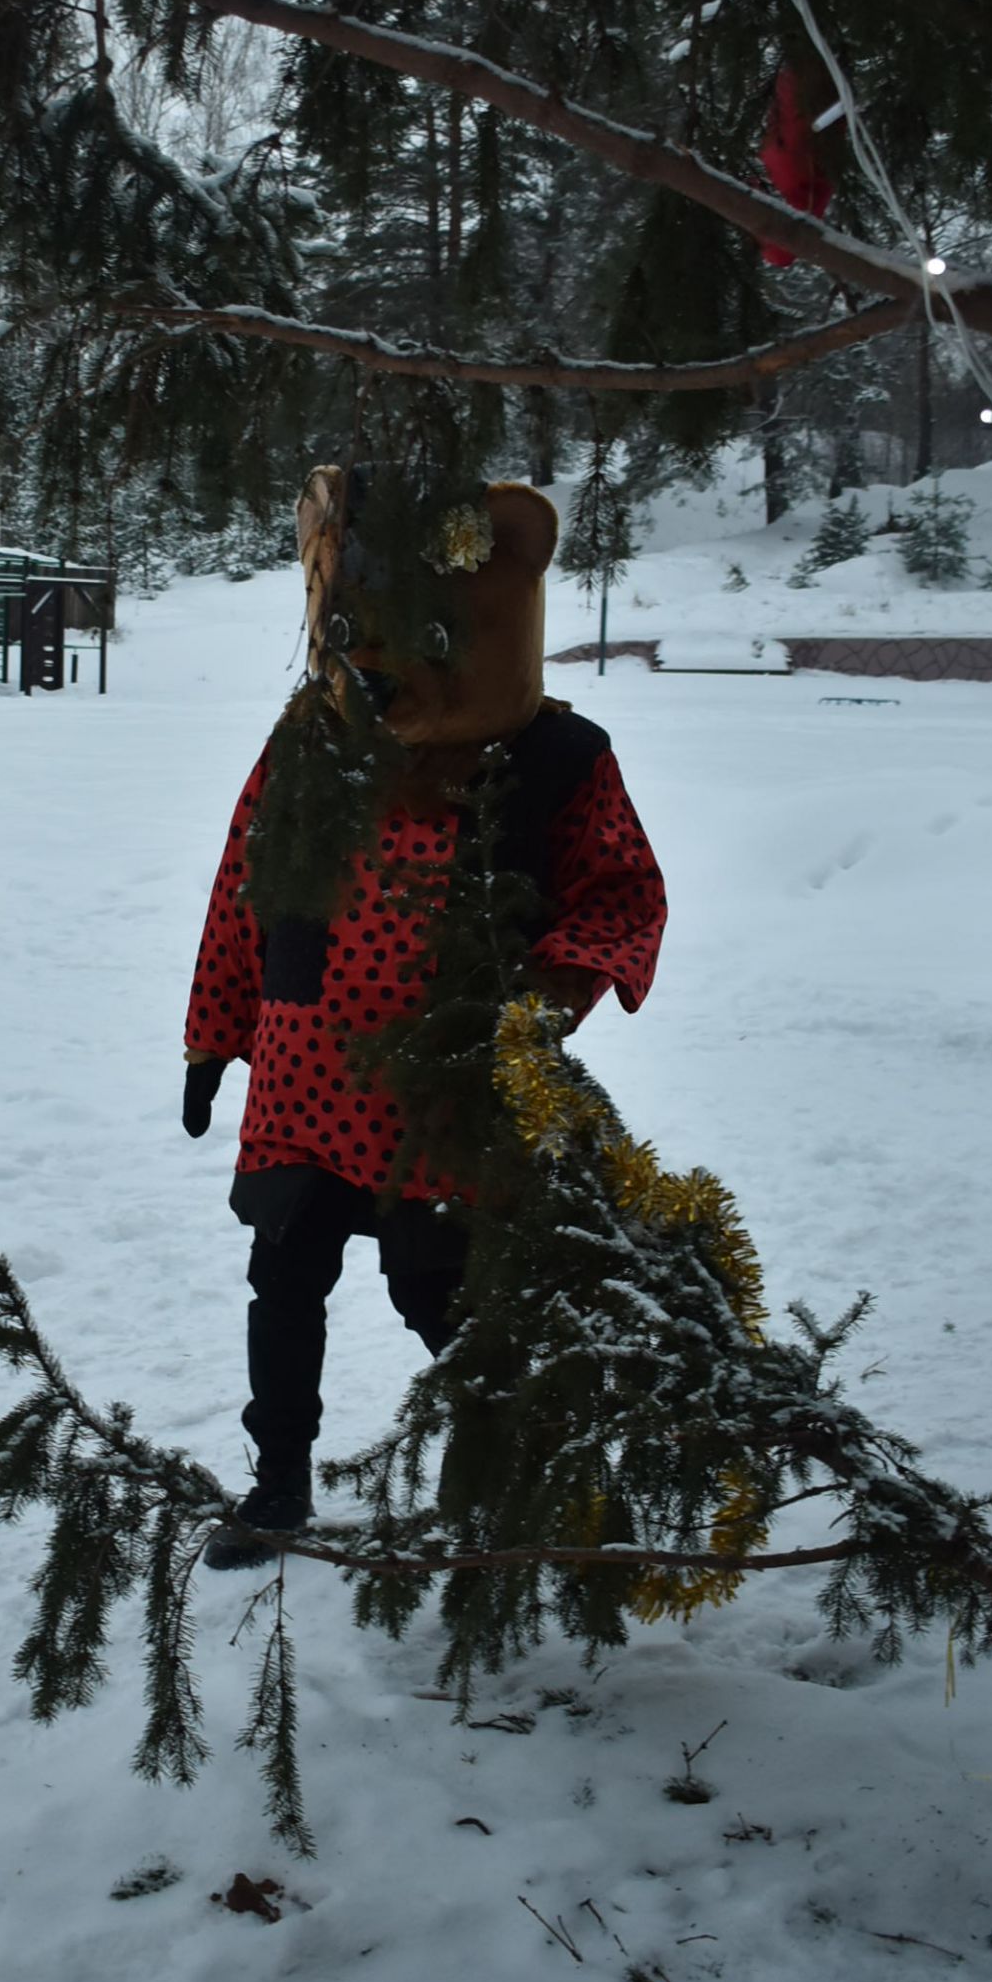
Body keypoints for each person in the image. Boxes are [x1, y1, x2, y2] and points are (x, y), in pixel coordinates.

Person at [184, 470, 667, 1564]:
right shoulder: (312, 735)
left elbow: (624, 892)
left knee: (440, 1292)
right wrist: (216, 1031)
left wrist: (545, 1000)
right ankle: (277, 1486)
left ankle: (520, 1478)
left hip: (446, 1080)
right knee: (285, 1279)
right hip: (303, 1070)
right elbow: (245, 883)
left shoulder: (556, 756)